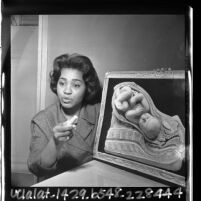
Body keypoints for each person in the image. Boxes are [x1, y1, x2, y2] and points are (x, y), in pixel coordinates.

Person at [27, 53, 102, 181]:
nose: (67, 91)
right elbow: (36, 168)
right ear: (56, 84)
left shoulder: (99, 112)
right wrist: (55, 143)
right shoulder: (42, 120)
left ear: (87, 88)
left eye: (76, 85)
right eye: (62, 83)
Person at [105, 82, 185, 171]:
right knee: (130, 100)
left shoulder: (135, 119)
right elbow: (142, 96)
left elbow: (127, 115)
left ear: (142, 130)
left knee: (125, 107)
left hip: (124, 103)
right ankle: (124, 94)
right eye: (149, 117)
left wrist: (135, 112)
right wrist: (135, 99)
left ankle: (118, 100)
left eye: (144, 122)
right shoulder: (146, 109)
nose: (145, 117)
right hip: (131, 95)